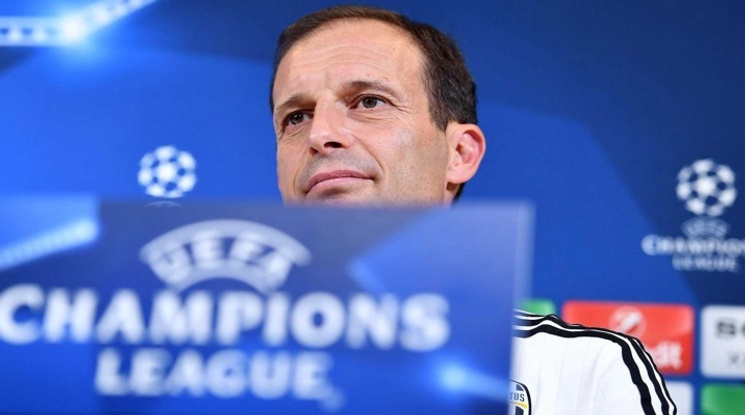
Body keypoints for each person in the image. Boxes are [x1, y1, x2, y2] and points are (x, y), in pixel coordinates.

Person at [270, 5, 676, 414]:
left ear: (460, 153)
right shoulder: (236, 361)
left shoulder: (588, 370)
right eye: (296, 117)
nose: (320, 134)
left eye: (369, 102)